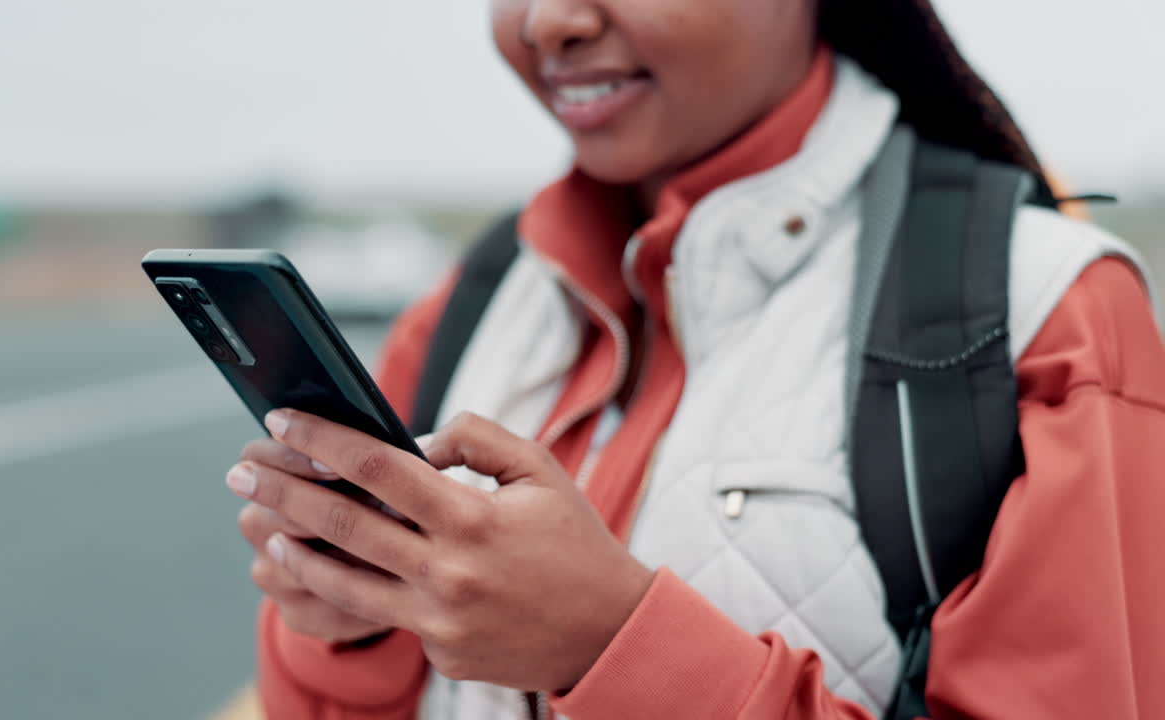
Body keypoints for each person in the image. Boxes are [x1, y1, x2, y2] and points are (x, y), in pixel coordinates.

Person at [224, 1, 1165, 718]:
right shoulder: (475, 303)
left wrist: (609, 650)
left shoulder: (1045, 312)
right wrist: (345, 627)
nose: (550, 21)